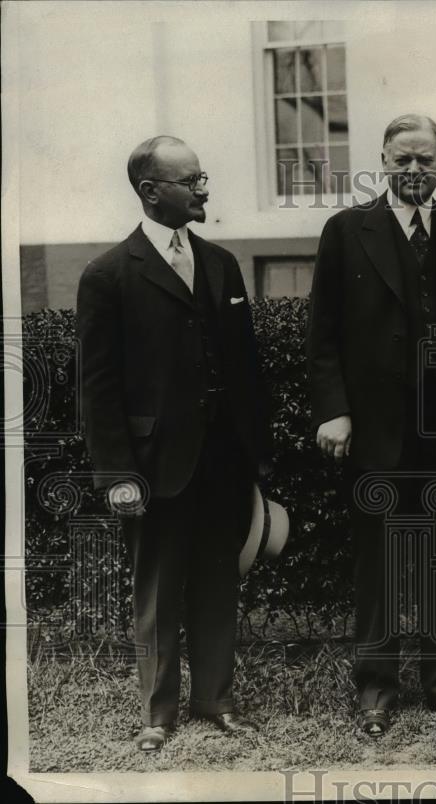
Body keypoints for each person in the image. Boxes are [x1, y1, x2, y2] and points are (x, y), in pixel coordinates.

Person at [307, 114, 436, 737]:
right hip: (375, 431)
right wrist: (335, 410)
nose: (414, 171)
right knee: (380, 564)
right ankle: (376, 689)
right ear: (382, 160)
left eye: (425, 160)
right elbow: (323, 334)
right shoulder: (345, 231)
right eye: (402, 160)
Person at [77, 136, 272, 752]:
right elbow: (97, 388)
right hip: (155, 467)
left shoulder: (221, 264)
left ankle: (216, 698)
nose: (204, 188)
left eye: (203, 177)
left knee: (219, 581)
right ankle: (157, 714)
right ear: (150, 191)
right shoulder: (107, 275)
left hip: (222, 463)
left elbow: (246, 369)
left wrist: (257, 456)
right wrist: (117, 474)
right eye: (191, 180)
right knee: (158, 589)